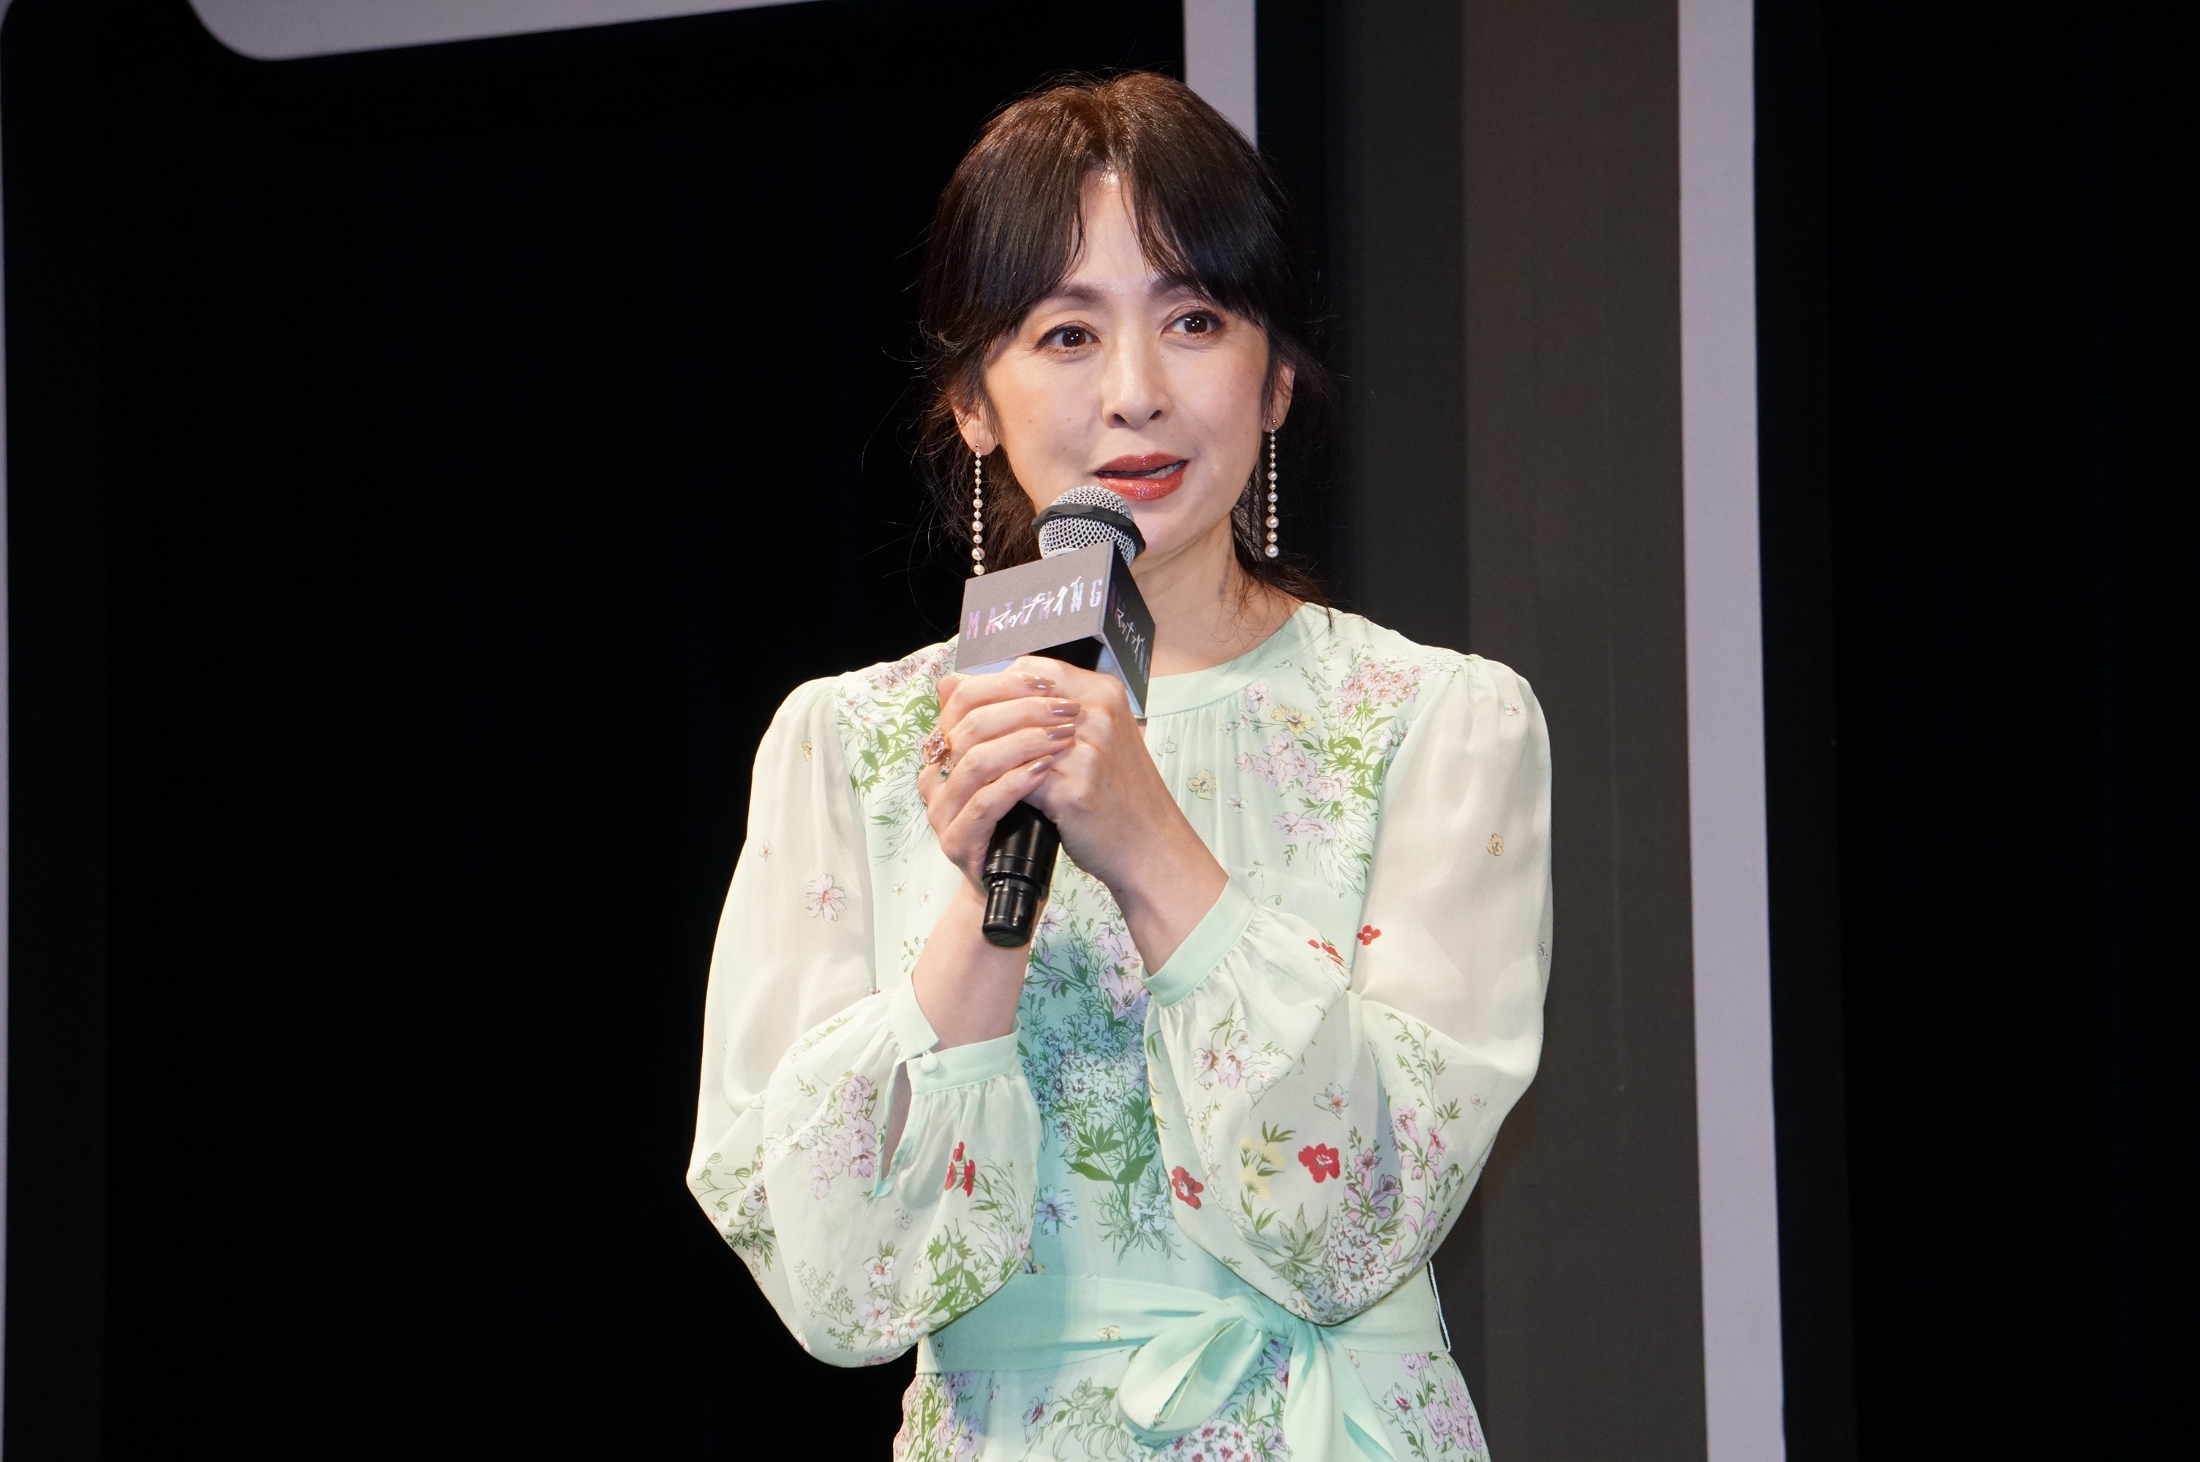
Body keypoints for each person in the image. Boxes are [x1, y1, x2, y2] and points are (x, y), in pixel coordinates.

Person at [687, 72, 1551, 1462]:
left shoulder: (1437, 722)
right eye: (1068, 333)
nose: (1137, 393)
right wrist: (985, 909)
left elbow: (1358, 1219)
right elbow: (836, 1283)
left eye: (1195, 320)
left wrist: (1151, 842)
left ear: (1276, 378)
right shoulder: (848, 746)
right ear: (974, 402)